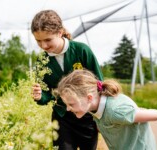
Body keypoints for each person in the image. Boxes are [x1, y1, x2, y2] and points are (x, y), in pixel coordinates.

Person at [31, 10, 103, 150]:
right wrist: (40, 96)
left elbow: (99, 84)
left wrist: (100, 117)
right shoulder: (42, 60)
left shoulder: (82, 50)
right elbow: (46, 94)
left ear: (60, 32)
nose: (43, 46)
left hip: (87, 117)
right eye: (38, 41)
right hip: (62, 118)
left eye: (47, 40)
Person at [56, 69, 157, 150]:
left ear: (89, 98)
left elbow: (156, 115)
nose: (68, 109)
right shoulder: (93, 108)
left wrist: (137, 111)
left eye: (71, 104)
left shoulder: (117, 112)